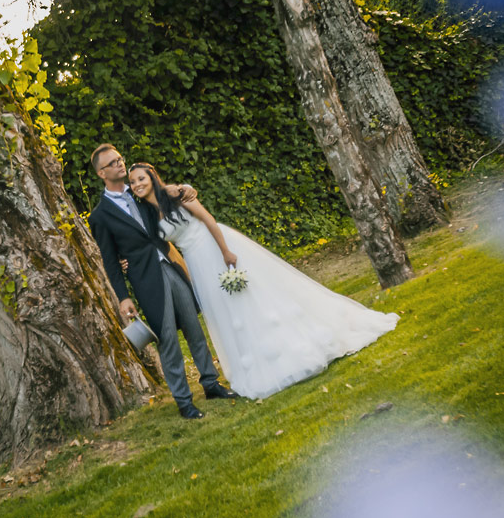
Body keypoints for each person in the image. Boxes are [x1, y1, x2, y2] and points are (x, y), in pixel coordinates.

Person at [127, 161, 398, 399]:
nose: (138, 184)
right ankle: (255, 361)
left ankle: (290, 347)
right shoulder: (148, 216)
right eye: (133, 181)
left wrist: (225, 251)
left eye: (142, 177)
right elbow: (160, 247)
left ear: (152, 176)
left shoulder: (176, 195)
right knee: (227, 310)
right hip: (196, 263)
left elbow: (208, 220)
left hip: (213, 246)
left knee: (252, 297)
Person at [87, 143, 234, 419]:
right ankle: (184, 401)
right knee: (167, 338)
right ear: (101, 173)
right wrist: (123, 297)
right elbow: (109, 260)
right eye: (113, 163)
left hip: (172, 266)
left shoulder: (142, 192)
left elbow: (168, 192)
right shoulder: (100, 216)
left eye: (120, 158)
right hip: (146, 280)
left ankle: (211, 384)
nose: (120, 164)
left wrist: (185, 187)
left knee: (194, 327)